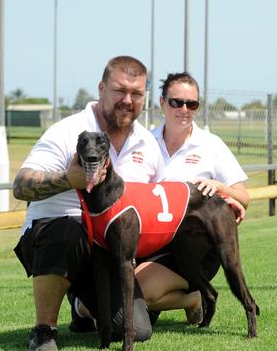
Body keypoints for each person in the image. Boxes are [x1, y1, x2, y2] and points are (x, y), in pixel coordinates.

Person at [13, 56, 163, 351]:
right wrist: (68, 179)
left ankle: (82, 303)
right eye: (120, 90)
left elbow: (155, 203)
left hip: (106, 252)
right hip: (56, 240)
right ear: (101, 88)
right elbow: (20, 185)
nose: (127, 100)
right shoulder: (67, 131)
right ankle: (44, 331)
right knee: (69, 230)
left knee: (136, 329)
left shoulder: (147, 142)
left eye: (136, 94)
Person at [135, 72, 250, 325]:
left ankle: (196, 298)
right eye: (177, 102)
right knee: (116, 296)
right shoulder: (143, 142)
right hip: (151, 244)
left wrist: (220, 187)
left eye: (192, 104)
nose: (184, 109)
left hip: (194, 249)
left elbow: (244, 197)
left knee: (140, 291)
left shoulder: (211, 145)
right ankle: (158, 304)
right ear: (162, 102)